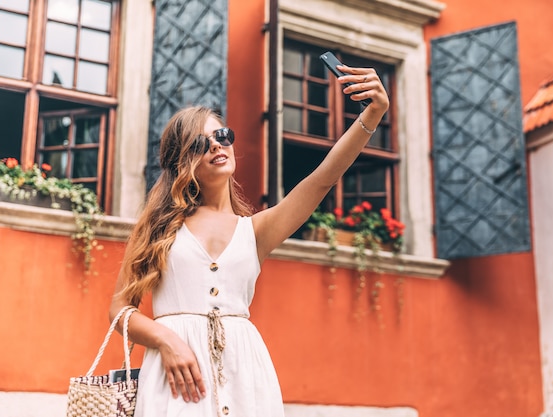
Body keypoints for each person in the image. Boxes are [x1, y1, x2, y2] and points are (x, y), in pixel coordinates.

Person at [109, 63, 390, 417]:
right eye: (200, 143)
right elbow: (119, 309)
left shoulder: (255, 231)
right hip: (176, 381)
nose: (216, 145)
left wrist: (373, 114)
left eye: (222, 135)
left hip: (246, 377)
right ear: (182, 162)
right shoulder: (157, 227)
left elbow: (322, 179)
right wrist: (165, 340)